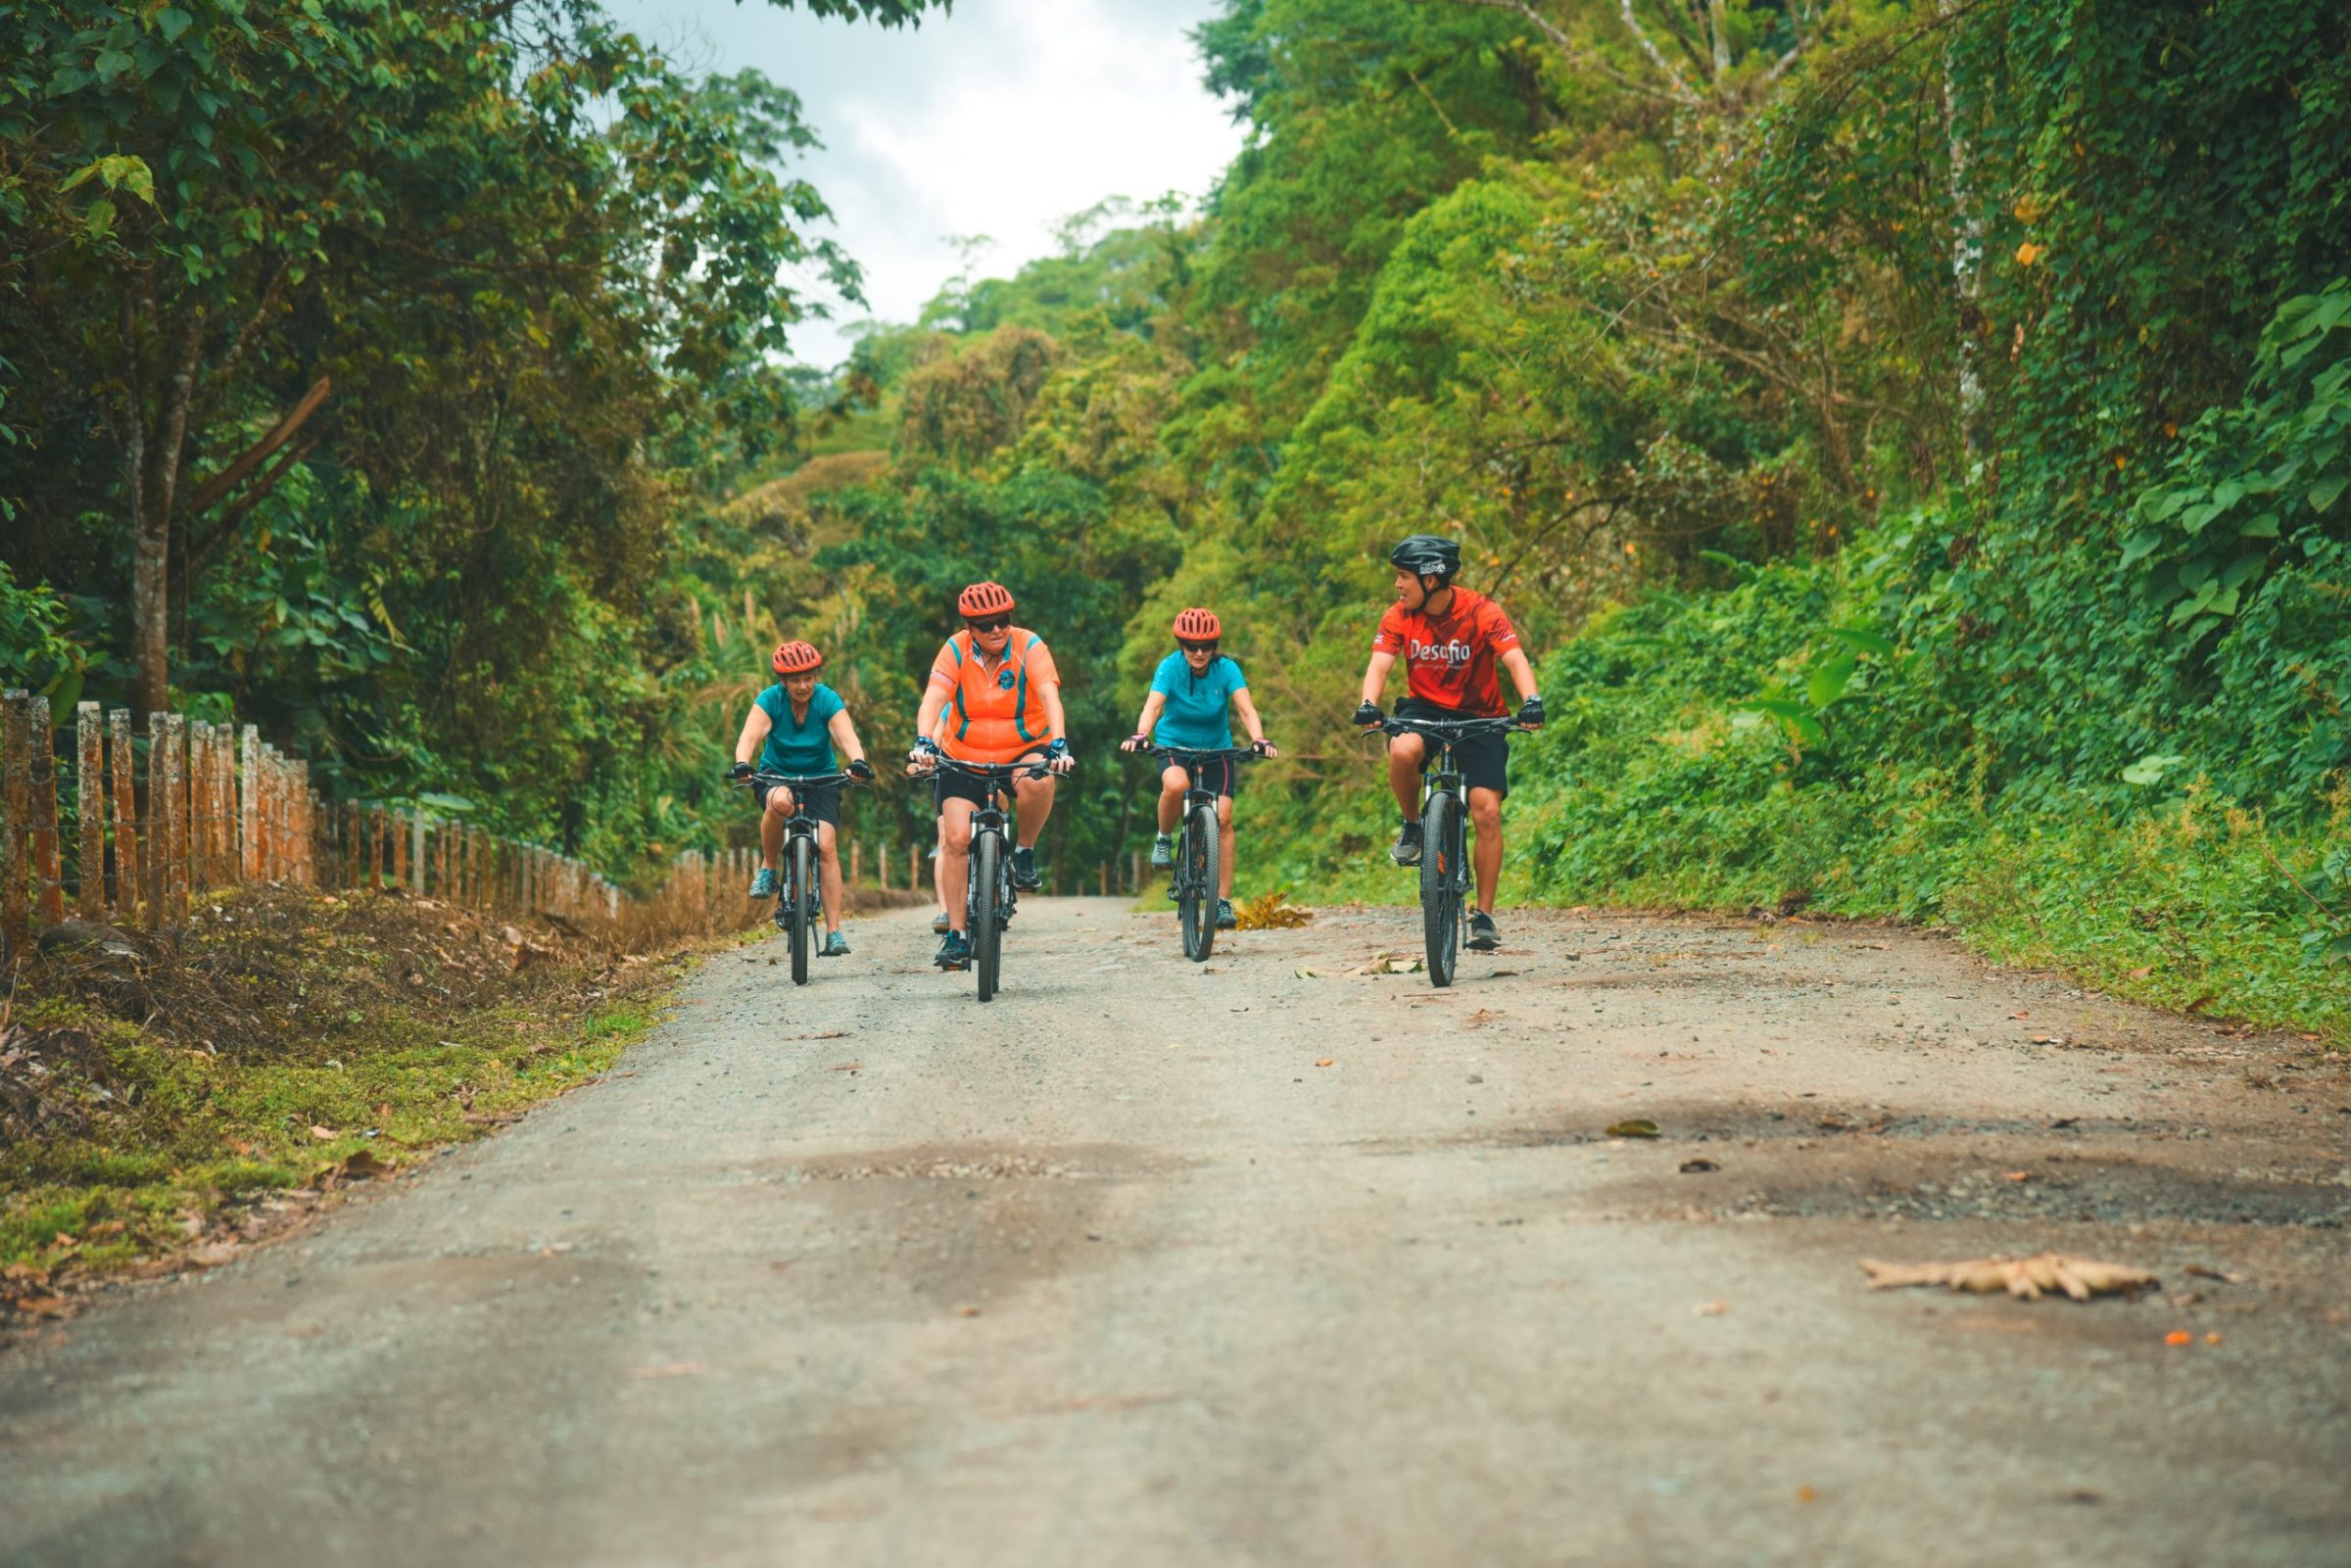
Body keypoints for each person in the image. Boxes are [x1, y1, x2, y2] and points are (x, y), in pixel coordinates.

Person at [1353, 534, 1545, 952]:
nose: (1398, 585)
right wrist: (1369, 704)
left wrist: (1531, 701)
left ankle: (1484, 915)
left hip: (1481, 714)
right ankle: (1414, 825)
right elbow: (1379, 665)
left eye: (1404, 576)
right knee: (1402, 749)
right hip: (1424, 708)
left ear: (1431, 579)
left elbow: (1514, 659)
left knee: (1487, 810)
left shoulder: (1481, 611)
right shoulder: (1400, 615)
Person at [906, 582, 1075, 970]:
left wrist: (1059, 744)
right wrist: (924, 741)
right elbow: (934, 698)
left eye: (1003, 620)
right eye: (986, 625)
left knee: (1039, 780)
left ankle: (1024, 851)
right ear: (970, 628)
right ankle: (957, 935)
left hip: (1022, 748)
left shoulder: (1030, 646)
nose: (997, 629)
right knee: (955, 839)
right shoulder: (954, 650)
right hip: (963, 755)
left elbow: (1049, 695)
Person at [1119, 607, 1275, 930]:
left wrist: (1258, 739)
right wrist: (1141, 733)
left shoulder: (1227, 669)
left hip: (1217, 749)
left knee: (1224, 819)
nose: (1199, 653)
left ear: (1215, 646)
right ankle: (1164, 837)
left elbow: (1246, 710)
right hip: (1174, 745)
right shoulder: (1169, 667)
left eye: (1206, 646)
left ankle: (1222, 900)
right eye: (1192, 646)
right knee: (1176, 786)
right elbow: (1154, 705)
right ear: (1182, 645)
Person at [730, 640, 874, 957]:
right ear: (783, 680)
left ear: (816, 676)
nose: (803, 685)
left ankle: (833, 932)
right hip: (777, 776)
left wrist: (857, 762)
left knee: (827, 846)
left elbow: (846, 737)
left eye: (808, 677)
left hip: (821, 779)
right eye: (795, 679)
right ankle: (769, 868)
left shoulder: (826, 699)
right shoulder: (770, 700)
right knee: (781, 803)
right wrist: (742, 763)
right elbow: (749, 737)